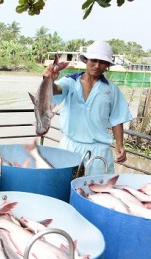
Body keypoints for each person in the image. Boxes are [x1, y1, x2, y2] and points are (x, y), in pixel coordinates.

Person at [44, 40, 133, 175]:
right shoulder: (70, 82)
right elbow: (55, 90)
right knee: (64, 188)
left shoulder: (111, 90)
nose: (97, 65)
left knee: (95, 191)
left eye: (102, 62)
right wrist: (49, 80)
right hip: (69, 147)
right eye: (94, 60)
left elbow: (117, 119)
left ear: (108, 65)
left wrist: (119, 145)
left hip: (99, 151)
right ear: (86, 60)